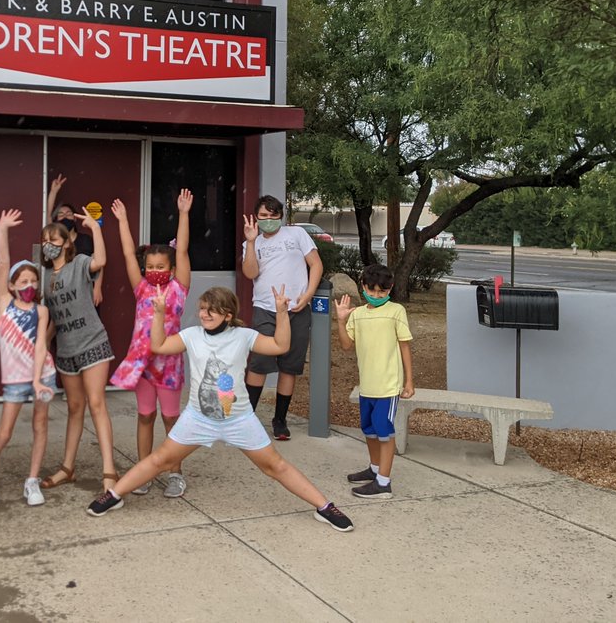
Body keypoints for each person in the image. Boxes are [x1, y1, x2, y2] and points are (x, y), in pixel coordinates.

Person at [85, 286, 353, 534]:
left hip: (238, 419)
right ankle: (115, 494)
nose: (204, 314)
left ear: (227, 314)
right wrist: (158, 314)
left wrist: (282, 312)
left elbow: (280, 346)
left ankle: (325, 506)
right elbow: (160, 346)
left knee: (275, 466)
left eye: (211, 309)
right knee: (160, 461)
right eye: (202, 308)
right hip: (197, 418)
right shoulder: (192, 335)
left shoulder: (243, 336)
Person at [107, 191, 191, 498]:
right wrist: (123, 221)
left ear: (169, 267)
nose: (155, 270)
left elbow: (182, 250)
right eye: (151, 265)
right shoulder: (141, 288)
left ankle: (175, 471)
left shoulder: (179, 288)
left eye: (161, 265)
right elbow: (129, 255)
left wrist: (183, 214)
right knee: (145, 416)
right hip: (142, 366)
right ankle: (143, 471)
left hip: (169, 367)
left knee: (171, 418)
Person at [0, 210, 57, 508]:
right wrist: (2, 229)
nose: (28, 285)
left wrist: (37, 380)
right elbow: (5, 263)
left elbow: (39, 349)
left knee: (40, 425)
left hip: (42, 374)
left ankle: (32, 481)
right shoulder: (4, 304)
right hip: (14, 381)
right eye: (22, 281)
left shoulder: (41, 310)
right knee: (5, 431)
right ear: (11, 285)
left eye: (33, 280)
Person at [37, 209, 116, 494]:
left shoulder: (80, 263)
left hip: (93, 343)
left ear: (67, 242)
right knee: (74, 408)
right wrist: (44, 343)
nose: (49, 244)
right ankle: (67, 468)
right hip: (66, 351)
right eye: (45, 240)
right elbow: (56, 318)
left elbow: (102, 260)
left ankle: (109, 471)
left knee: (96, 404)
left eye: (54, 239)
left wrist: (95, 228)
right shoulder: (45, 278)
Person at [241, 195, 323, 441]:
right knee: (259, 364)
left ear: (281, 216)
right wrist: (251, 242)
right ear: (257, 217)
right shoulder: (251, 243)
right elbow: (250, 273)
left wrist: (307, 296)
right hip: (265, 308)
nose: (268, 220)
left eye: (273, 215)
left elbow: (316, 265)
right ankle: (246, 418)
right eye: (263, 216)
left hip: (296, 309)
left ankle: (280, 420)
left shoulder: (296, 235)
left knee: (289, 365)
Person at [333, 263, 414, 499]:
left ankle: (383, 483)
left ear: (390, 290)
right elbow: (347, 346)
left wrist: (409, 382)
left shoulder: (396, 311)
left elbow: (404, 346)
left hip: (388, 386)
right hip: (367, 385)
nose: (377, 295)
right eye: (372, 291)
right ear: (363, 287)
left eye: (382, 292)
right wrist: (340, 320)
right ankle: (375, 468)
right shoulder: (357, 315)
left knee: (383, 429)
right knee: (368, 428)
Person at [46, 173, 102, 306]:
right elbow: (47, 216)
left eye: (69, 214)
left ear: (75, 218)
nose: (65, 216)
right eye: (61, 214)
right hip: (63, 293)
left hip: (86, 291)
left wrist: (97, 288)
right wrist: (53, 192)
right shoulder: (55, 240)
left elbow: (99, 264)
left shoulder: (86, 240)